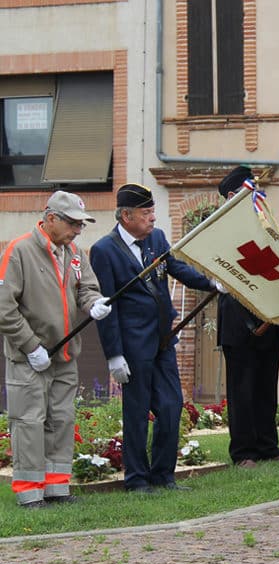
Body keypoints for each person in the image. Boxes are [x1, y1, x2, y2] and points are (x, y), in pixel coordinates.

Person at [90, 183, 221, 492]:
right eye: (146, 213)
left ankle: (163, 475)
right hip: (133, 345)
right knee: (136, 412)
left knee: (172, 405)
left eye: (152, 212)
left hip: (164, 339)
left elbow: (175, 268)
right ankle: (136, 479)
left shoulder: (157, 239)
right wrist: (114, 355)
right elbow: (107, 305)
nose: (153, 218)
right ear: (126, 215)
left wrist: (213, 285)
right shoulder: (104, 250)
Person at [0, 192, 111, 507]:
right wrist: (30, 345)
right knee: (28, 422)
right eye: (73, 223)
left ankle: (56, 488)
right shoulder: (19, 251)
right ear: (50, 219)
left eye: (80, 224)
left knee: (61, 421)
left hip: (65, 356)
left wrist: (93, 304)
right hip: (29, 359)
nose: (78, 230)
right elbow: (4, 308)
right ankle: (29, 492)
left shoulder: (74, 253)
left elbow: (86, 287)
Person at [216, 166, 279, 467]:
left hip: (267, 313)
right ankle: (244, 450)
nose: (257, 196)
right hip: (238, 318)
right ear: (233, 195)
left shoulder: (263, 224)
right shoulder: (220, 228)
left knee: (266, 386)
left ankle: (268, 445)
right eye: (250, 190)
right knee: (242, 388)